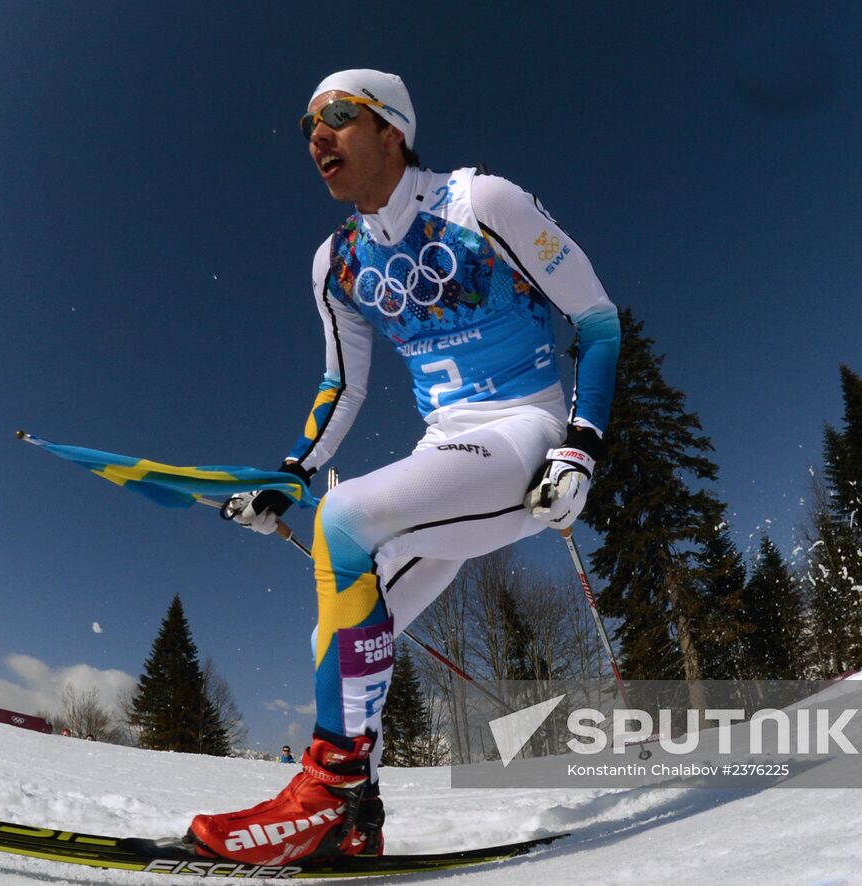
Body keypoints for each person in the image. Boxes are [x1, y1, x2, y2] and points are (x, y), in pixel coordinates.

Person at [187, 69, 619, 865]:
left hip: (523, 436)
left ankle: (328, 795)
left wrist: (580, 446)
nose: (316, 135)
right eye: (307, 125)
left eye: (337, 115)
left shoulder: (481, 201)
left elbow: (596, 319)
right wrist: (291, 474)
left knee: (346, 520)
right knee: (337, 628)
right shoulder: (337, 261)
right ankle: (359, 819)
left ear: (392, 131)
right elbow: (342, 386)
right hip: (445, 455)